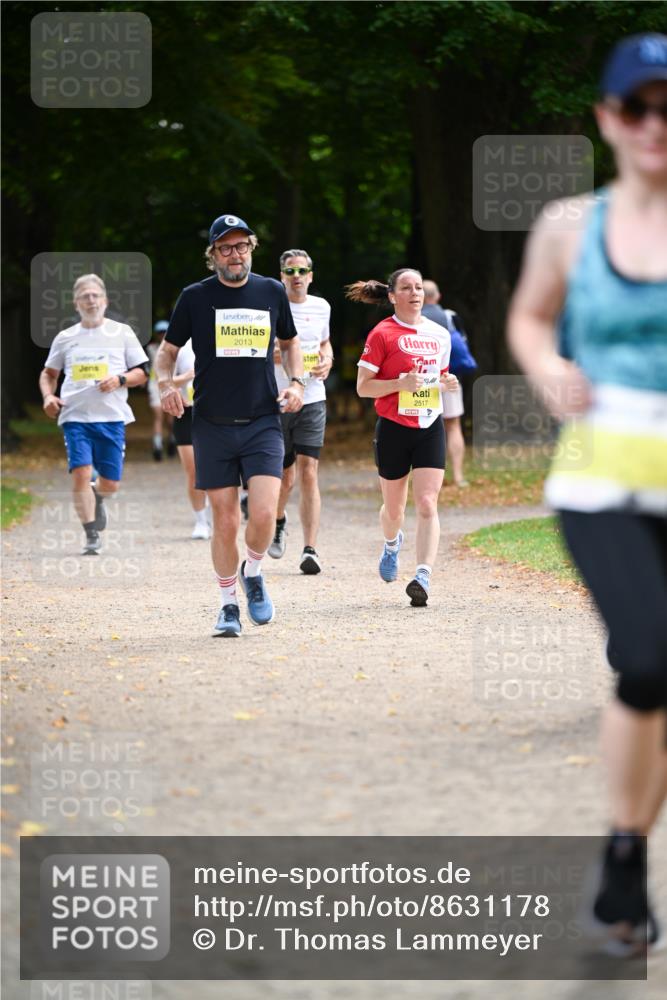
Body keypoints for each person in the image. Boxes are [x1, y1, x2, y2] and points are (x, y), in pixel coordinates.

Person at [507, 33, 667, 954]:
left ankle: (623, 854)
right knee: (646, 656)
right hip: (599, 478)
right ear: (608, 118)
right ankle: (623, 849)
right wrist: (546, 368)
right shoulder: (570, 225)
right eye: (637, 107)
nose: (654, 125)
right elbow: (529, 318)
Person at [156, 213, 305, 637]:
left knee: (263, 513)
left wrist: (296, 382)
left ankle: (252, 571)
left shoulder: (271, 291)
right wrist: (166, 384)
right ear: (213, 255)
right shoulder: (195, 297)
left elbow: (290, 342)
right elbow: (167, 352)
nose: (234, 254)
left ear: (251, 249)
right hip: (212, 423)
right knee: (223, 520)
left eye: (241, 246)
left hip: (262, 420)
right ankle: (227, 606)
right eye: (225, 248)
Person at [349, 269, 459, 606]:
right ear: (392, 296)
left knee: (427, 502)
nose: (415, 293)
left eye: (419, 288)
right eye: (407, 288)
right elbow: (363, 387)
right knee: (394, 510)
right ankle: (392, 543)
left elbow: (438, 376)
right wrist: (399, 384)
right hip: (394, 428)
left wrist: (447, 382)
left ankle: (422, 575)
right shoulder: (382, 334)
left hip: (429, 426)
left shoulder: (440, 334)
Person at [39, 273, 149, 554]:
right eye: (84, 297)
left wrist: (119, 380)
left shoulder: (122, 333)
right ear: (76, 303)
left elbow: (141, 373)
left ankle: (97, 496)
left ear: (105, 300)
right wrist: (49, 396)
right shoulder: (65, 337)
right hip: (75, 416)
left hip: (111, 417)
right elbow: (49, 374)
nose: (91, 300)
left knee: (110, 484)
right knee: (81, 473)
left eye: (95, 295)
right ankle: (91, 535)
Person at [269, 248, 333, 574]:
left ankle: (310, 549)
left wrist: (328, 359)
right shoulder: (271, 305)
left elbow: (324, 343)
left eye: (302, 271)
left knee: (309, 470)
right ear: (282, 276)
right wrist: (273, 355)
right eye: (290, 271)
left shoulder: (322, 307)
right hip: (278, 399)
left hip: (313, 397)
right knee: (285, 478)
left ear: (310, 276)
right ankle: (278, 521)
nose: (297, 277)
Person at [422, 280, 473, 487]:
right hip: (450, 378)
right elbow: (463, 343)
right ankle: (458, 476)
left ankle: (429, 478)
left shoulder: (413, 319)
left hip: (422, 380)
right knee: (453, 425)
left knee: (423, 428)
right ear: (438, 296)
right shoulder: (450, 316)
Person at [171, 339, 210, 539]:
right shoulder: (178, 347)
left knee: (219, 467)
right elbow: (164, 381)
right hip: (186, 413)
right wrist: (187, 376)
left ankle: (217, 510)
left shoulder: (221, 339)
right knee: (193, 470)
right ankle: (201, 521)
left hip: (216, 412)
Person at [146, 320, 176, 461]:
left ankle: (172, 439)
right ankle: (157, 446)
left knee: (170, 419)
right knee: (158, 416)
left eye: (164, 332)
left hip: (171, 385)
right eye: (160, 332)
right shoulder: (151, 348)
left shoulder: (175, 348)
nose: (162, 334)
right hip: (155, 385)